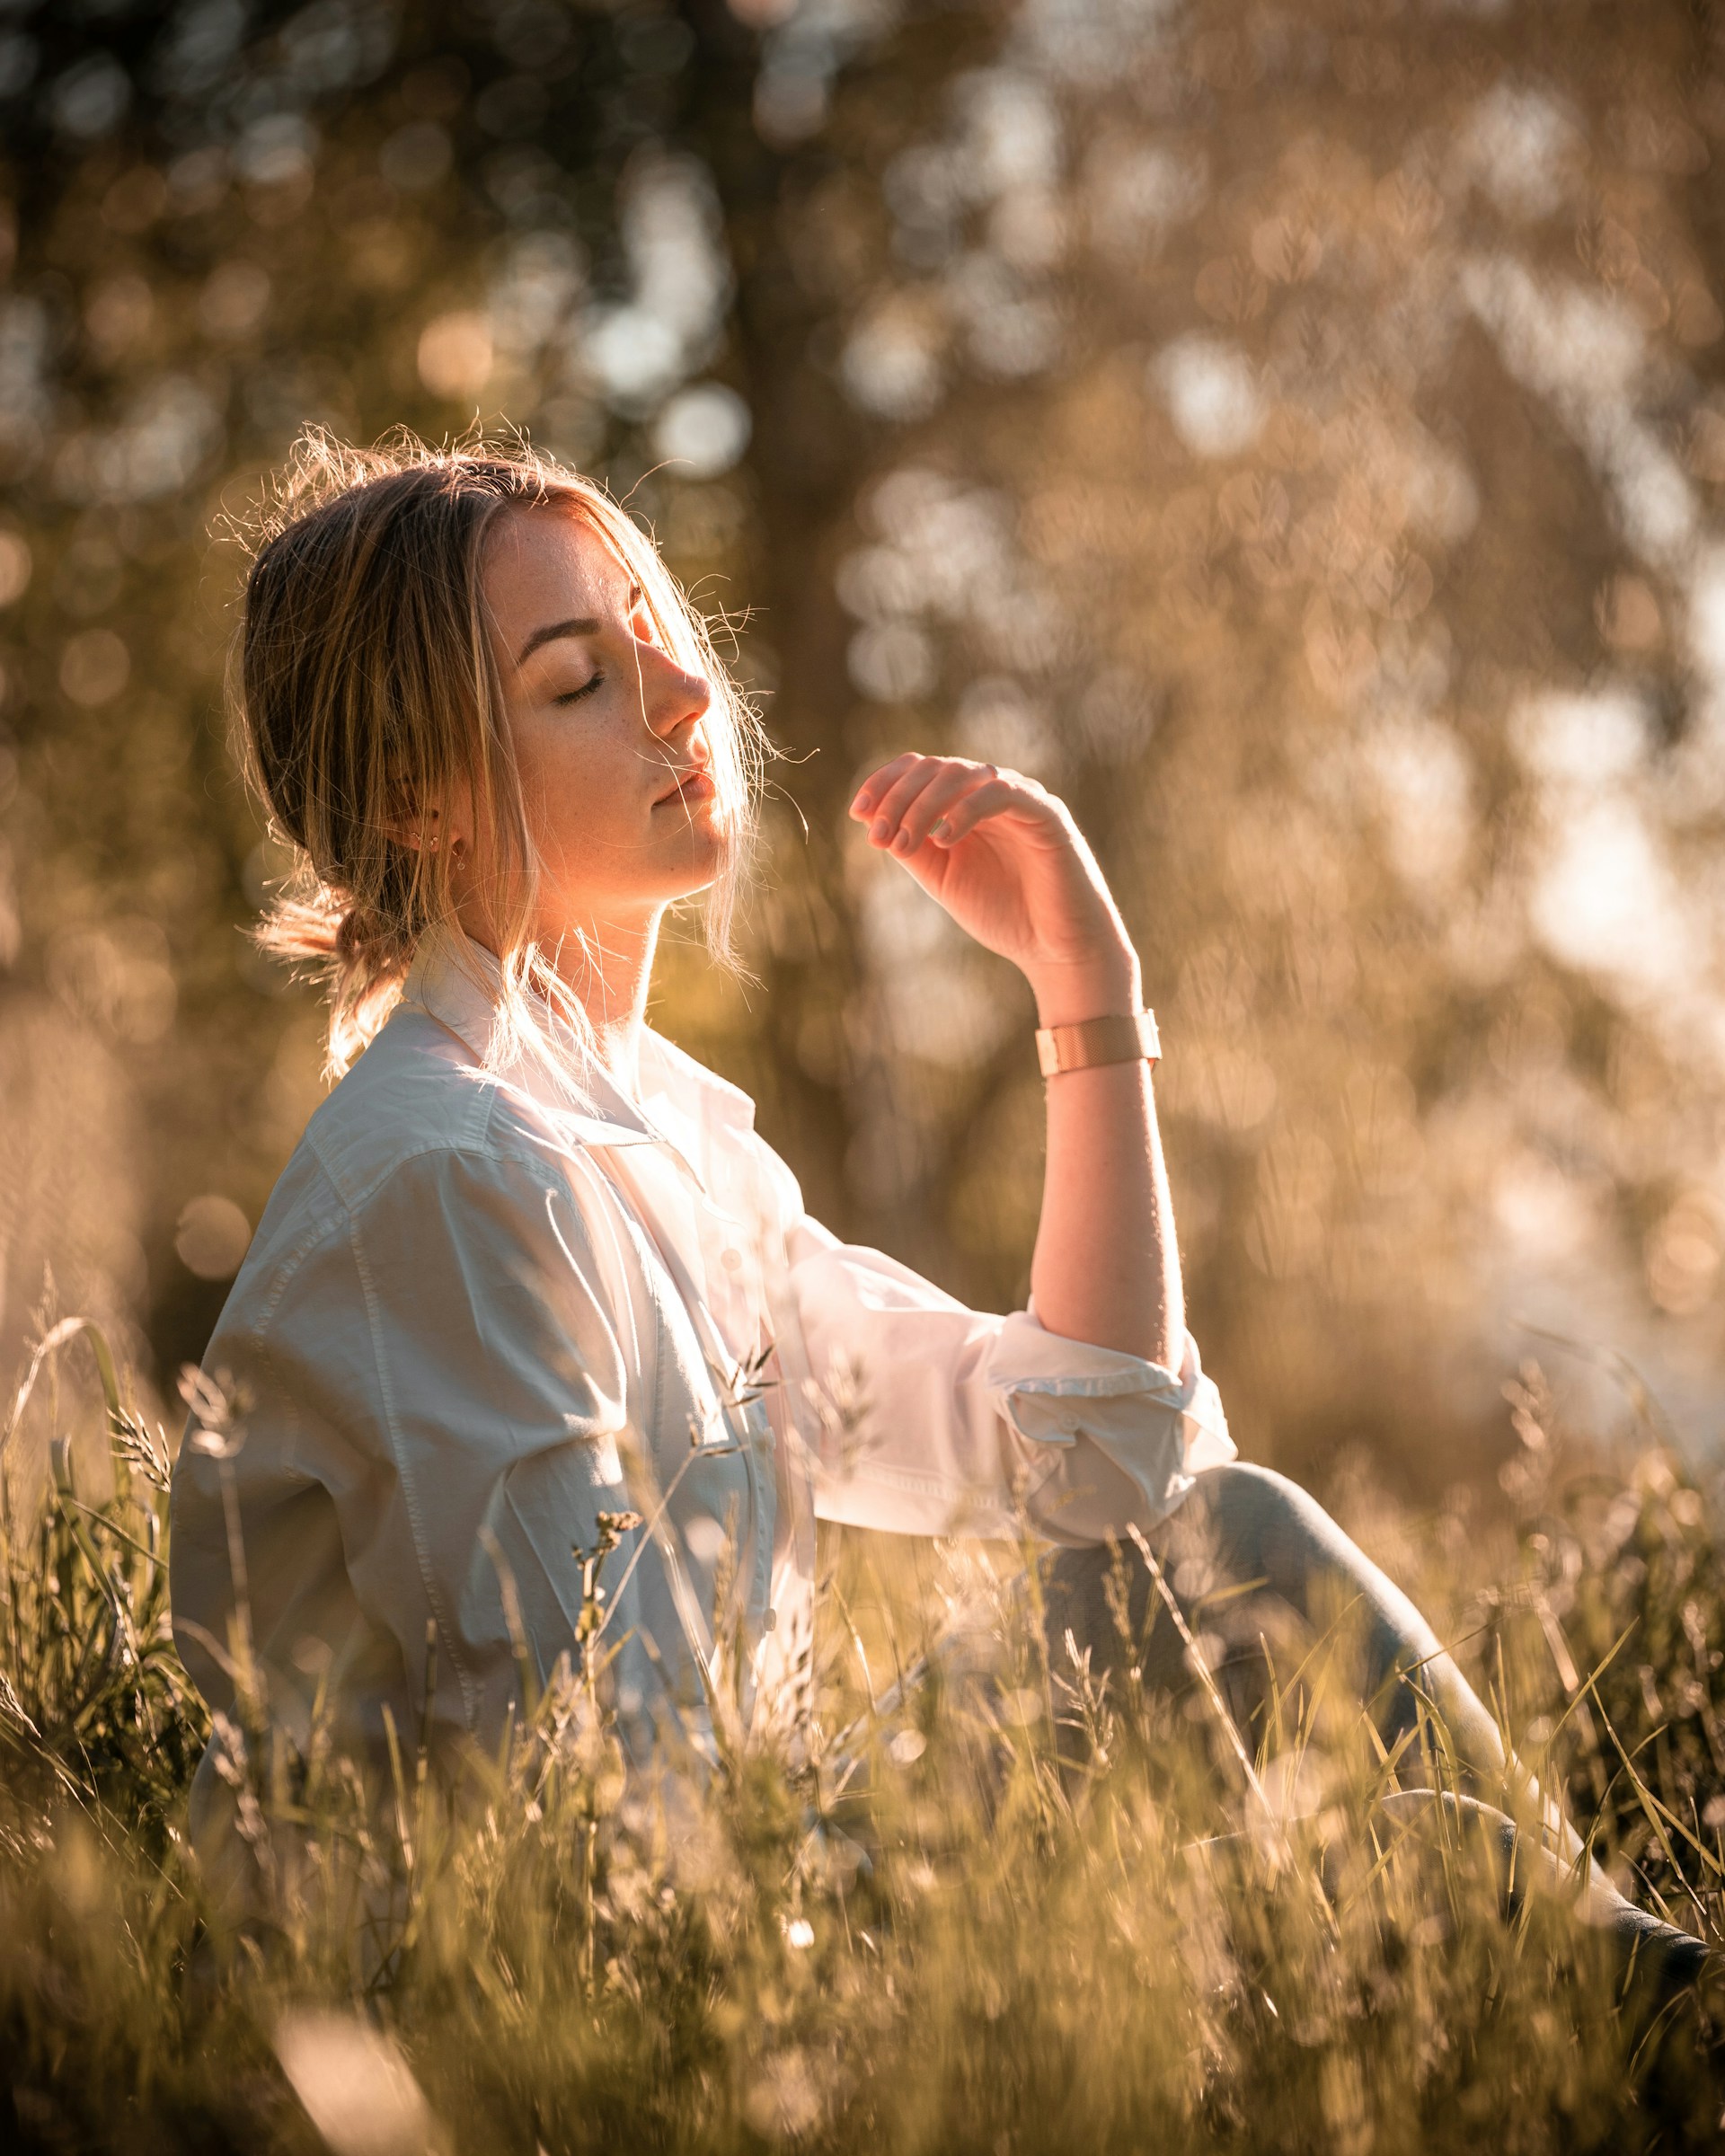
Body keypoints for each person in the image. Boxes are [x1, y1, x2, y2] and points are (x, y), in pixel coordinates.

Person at [169, 430, 1703, 1988]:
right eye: (579, 679)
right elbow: (595, 1806)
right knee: (1248, 1638)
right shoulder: (452, 1179)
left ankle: (1594, 1995)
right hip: (552, 2014)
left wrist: (1088, 1001)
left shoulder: (663, 1143)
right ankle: (1603, 2012)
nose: (685, 697)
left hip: (726, 1900)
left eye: (652, 632)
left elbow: (1111, 1464)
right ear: (419, 794)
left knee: (1228, 1549)